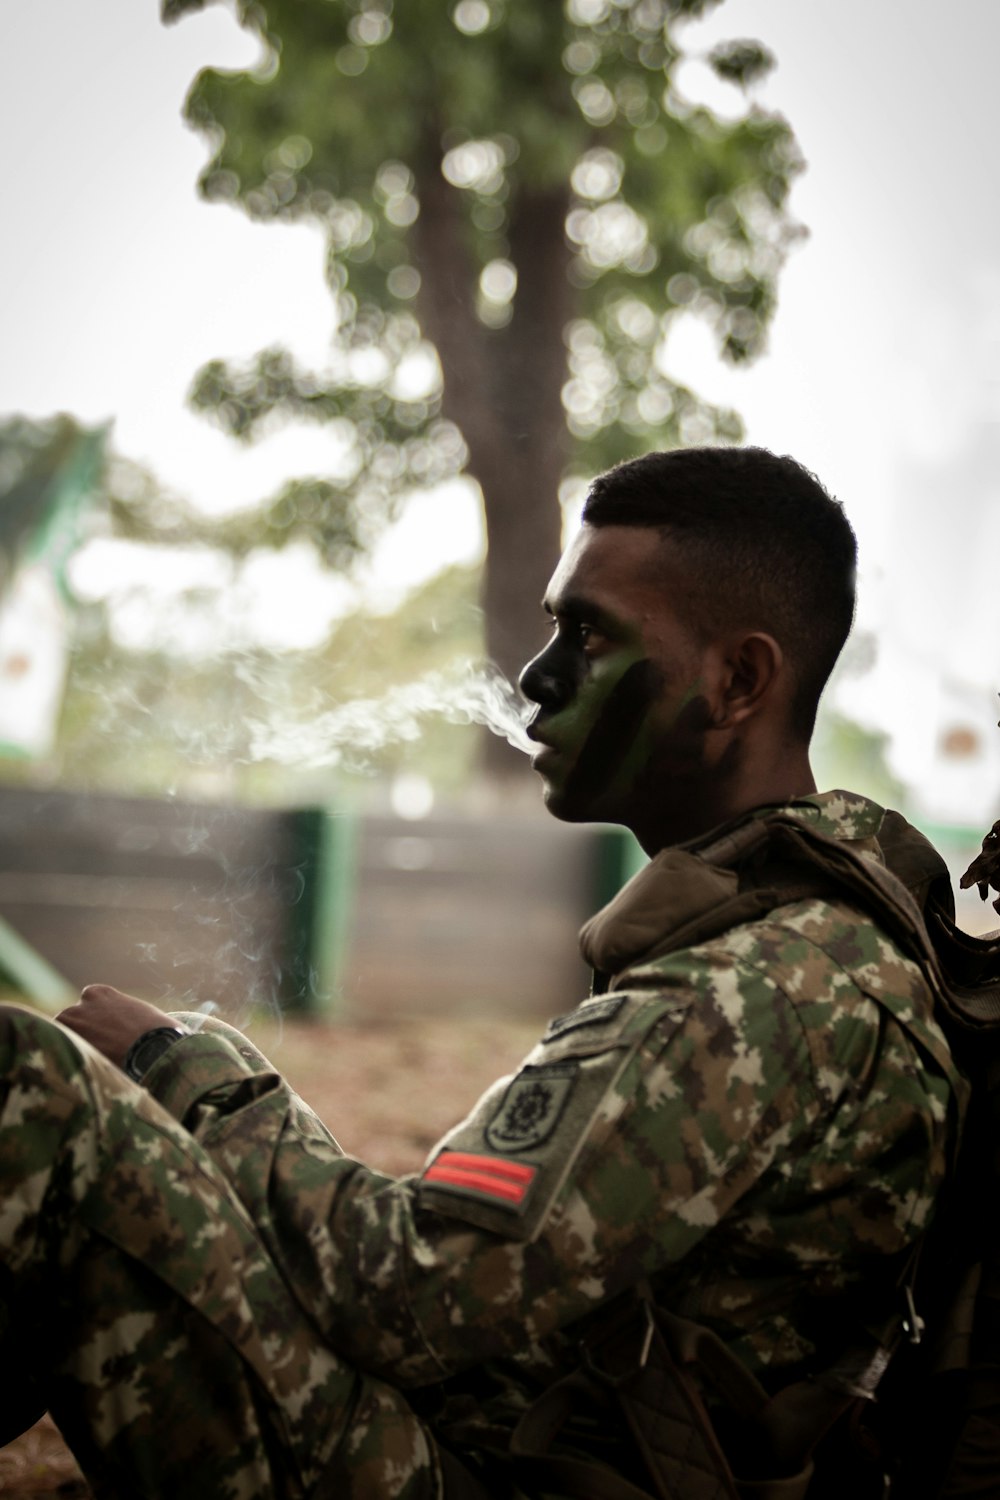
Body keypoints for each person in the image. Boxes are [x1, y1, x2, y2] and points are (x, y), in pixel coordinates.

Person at [0, 446, 965, 1498]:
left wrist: (183, 1080)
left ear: (737, 681)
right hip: (511, 1435)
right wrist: (200, 1070)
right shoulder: (819, 950)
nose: (540, 678)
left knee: (38, 1088)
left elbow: (402, 1300)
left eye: (591, 635)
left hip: (479, 1475)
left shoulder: (750, 996)